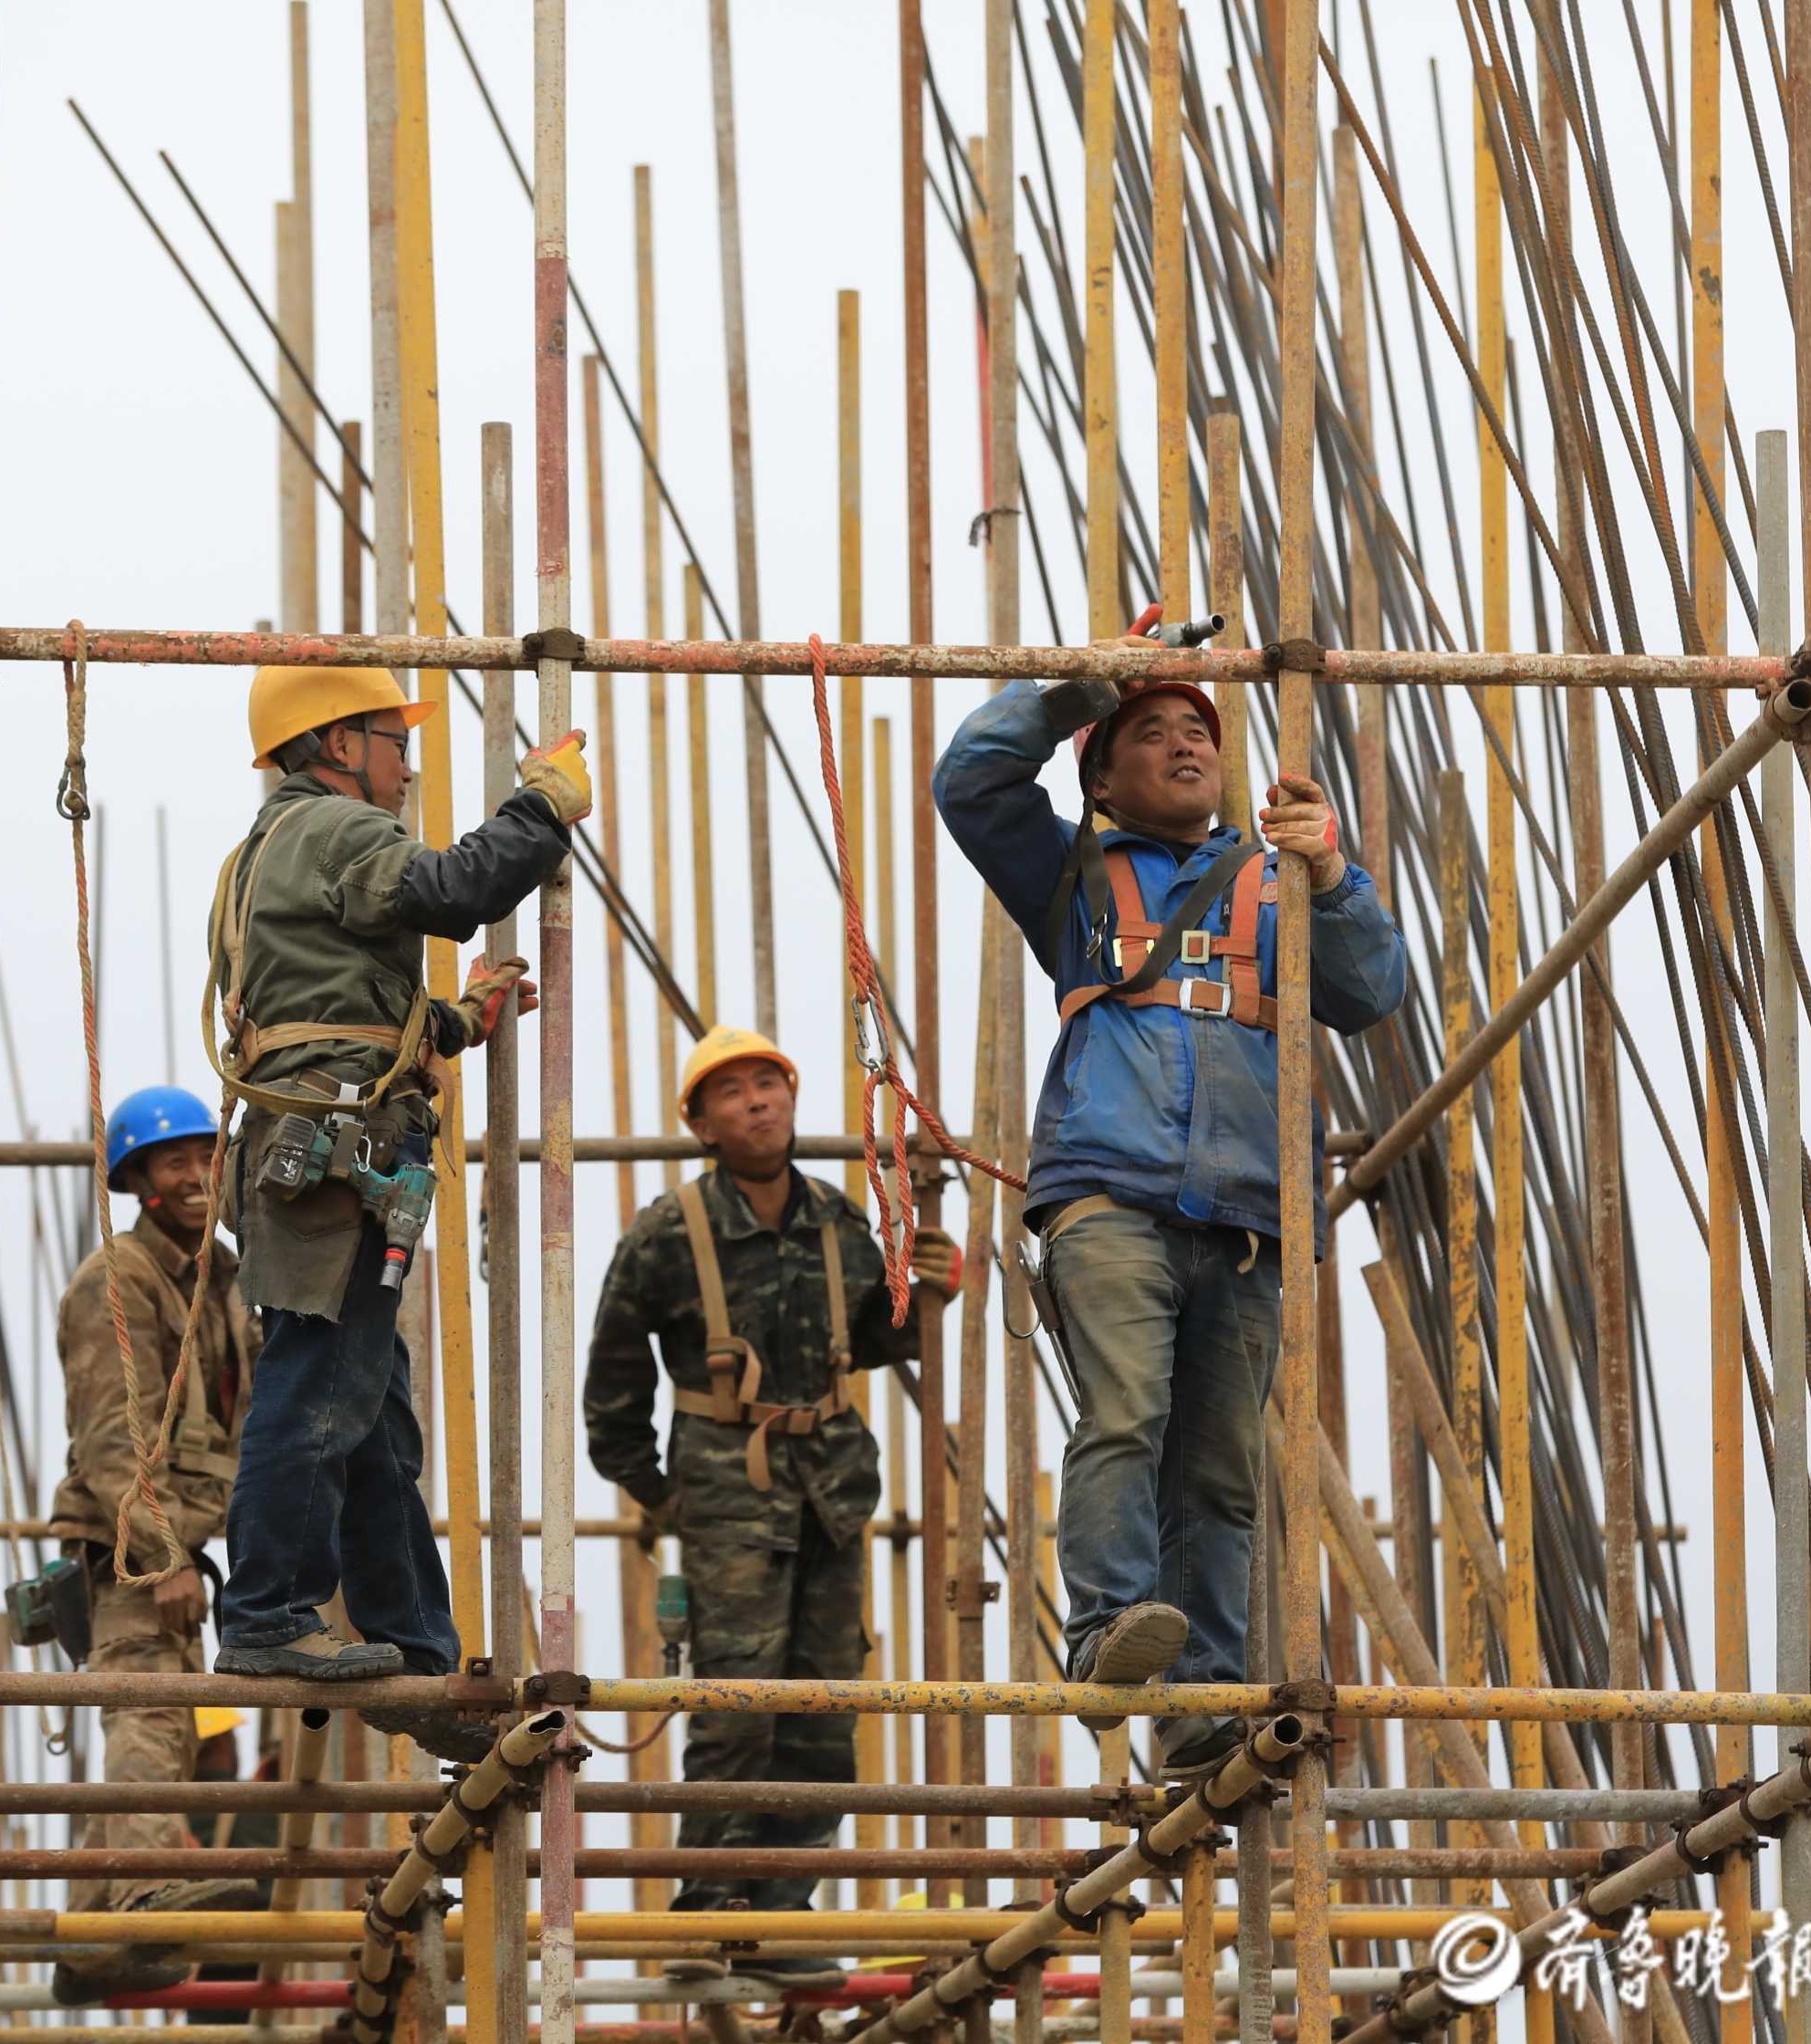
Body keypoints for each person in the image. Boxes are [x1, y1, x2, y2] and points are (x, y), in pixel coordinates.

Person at [932, 640, 1409, 1776]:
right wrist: (1077, 694)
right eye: (1150, 732)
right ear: (1100, 777)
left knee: (1218, 1471)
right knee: (1127, 1408)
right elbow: (971, 780)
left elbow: (1369, 989)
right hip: (1110, 1184)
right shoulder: (1071, 873)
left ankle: (1199, 1706)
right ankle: (1106, 1632)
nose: (1185, 741)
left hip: (1247, 1205)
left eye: (1196, 729)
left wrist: (1334, 877)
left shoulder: (1274, 877)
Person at [207, 663, 587, 1768]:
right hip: (336, 1145)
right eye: (392, 737)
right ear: (333, 744)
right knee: (320, 1382)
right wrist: (543, 805)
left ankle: (416, 1648)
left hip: (321, 1133)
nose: (407, 763)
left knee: (373, 1420)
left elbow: (332, 1002)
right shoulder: (330, 824)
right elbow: (453, 889)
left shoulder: (264, 854)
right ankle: (270, 1611)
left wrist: (458, 1018)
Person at [583, 1026, 960, 1976]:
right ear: (703, 1125)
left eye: (769, 1082)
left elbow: (870, 1336)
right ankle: (711, 1915)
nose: (758, 1101)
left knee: (825, 1707)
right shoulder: (668, 1232)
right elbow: (613, 1395)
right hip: (728, 1492)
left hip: (832, 1485)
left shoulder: (836, 1219)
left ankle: (782, 1915)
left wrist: (927, 1295)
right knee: (735, 1707)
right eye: (733, 1091)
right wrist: (670, 1496)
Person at [45, 1085, 264, 2003]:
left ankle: (93, 1937)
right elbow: (111, 1433)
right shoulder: (117, 1276)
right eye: (170, 1160)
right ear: (136, 1179)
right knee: (150, 1709)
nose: (192, 1172)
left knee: (169, 1731)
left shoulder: (222, 1273)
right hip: (129, 1543)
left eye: (202, 1154)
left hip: (189, 1533)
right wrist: (163, 1553)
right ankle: (136, 1887)